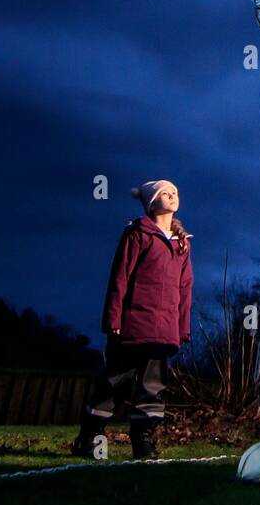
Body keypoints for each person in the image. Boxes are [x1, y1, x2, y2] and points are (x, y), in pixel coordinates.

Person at [73, 179, 193, 460]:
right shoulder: (137, 234)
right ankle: (90, 437)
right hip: (133, 326)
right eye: (165, 192)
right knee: (115, 381)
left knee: (152, 386)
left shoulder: (182, 245)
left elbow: (185, 289)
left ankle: (143, 441)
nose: (173, 195)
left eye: (175, 191)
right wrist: (113, 318)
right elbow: (120, 277)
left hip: (163, 332)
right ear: (152, 202)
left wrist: (181, 328)